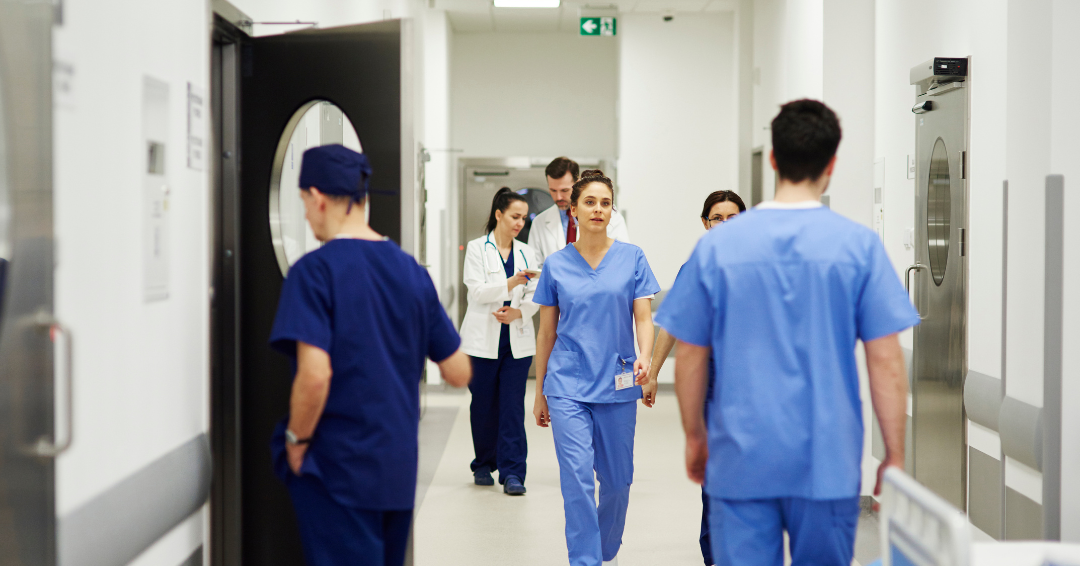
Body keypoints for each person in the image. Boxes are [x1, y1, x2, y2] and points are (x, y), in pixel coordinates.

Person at [656, 100, 917, 566]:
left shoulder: (717, 247)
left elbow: (691, 355)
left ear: (773, 159)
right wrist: (893, 452)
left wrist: (695, 437)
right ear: (832, 165)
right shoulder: (858, 247)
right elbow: (886, 361)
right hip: (828, 459)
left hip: (739, 458)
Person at [267, 144, 472, 566]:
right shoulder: (412, 273)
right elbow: (458, 370)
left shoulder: (314, 272)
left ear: (319, 198)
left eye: (305, 202)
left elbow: (315, 375)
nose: (306, 214)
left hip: (337, 468)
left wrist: (295, 440)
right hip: (395, 468)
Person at [532, 169, 660, 566]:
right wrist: (540, 392)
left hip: (618, 382)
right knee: (577, 480)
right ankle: (585, 560)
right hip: (567, 383)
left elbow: (643, 317)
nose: (598, 209)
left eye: (606, 203)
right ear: (574, 208)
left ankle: (605, 551)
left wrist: (646, 357)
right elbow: (546, 334)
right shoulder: (556, 265)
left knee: (618, 483)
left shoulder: (631, 256)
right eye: (590, 201)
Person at [643, 189, 746, 566]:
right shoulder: (696, 268)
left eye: (732, 217)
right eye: (717, 217)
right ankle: (715, 554)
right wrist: (652, 373)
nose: (723, 224)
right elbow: (671, 323)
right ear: (705, 223)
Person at [459, 187, 540, 495]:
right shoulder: (478, 248)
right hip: (481, 342)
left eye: (523, 217)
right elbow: (476, 292)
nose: (519, 222)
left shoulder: (526, 252)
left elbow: (536, 293)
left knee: (511, 408)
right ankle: (483, 463)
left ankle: (513, 473)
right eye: (514, 216)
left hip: (516, 344)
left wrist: (520, 312)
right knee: (482, 406)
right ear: (498, 214)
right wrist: (510, 283)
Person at [530, 157, 631, 267]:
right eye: (553, 190)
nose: (558, 197)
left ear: (576, 184)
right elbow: (534, 268)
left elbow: (622, 259)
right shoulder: (539, 222)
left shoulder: (610, 217)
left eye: (565, 190)